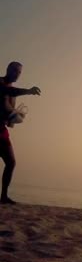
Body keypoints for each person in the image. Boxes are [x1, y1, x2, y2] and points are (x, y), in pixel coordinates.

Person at [0, 61, 41, 205]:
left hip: (1, 131)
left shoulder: (13, 92)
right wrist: (28, 91)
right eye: (16, 71)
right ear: (8, 70)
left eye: (20, 72)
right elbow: (9, 91)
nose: (17, 74)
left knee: (11, 162)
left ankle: (3, 196)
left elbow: (9, 113)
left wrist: (16, 118)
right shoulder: (1, 83)